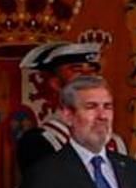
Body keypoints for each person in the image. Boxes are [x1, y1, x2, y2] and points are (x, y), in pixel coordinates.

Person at [15, 41, 121, 172]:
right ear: (56, 84)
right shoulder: (40, 142)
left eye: (92, 71)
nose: (87, 77)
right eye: (78, 71)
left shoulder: (116, 142)